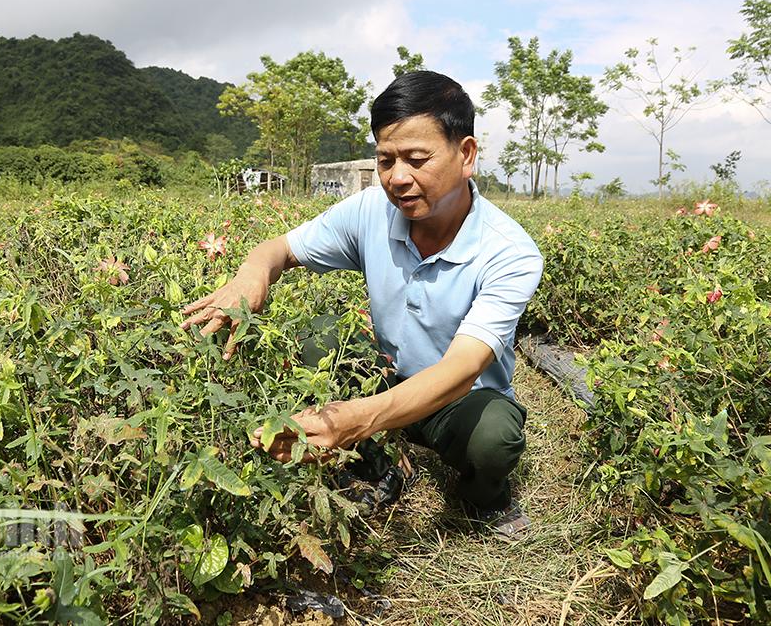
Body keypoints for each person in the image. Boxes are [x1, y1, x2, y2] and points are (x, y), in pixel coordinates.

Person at [180, 70, 543, 537]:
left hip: (458, 399)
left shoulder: (509, 251)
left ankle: (483, 498)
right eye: (386, 160)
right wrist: (251, 277)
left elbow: (464, 367)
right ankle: (386, 456)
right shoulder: (371, 210)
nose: (398, 178)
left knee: (493, 438)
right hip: (386, 373)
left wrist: (357, 419)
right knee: (318, 337)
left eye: (417, 159)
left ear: (466, 154)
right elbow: (280, 249)